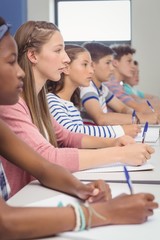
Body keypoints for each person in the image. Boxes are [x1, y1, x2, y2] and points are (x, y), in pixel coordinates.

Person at [0, 17, 158, 239]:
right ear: (33, 56)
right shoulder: (11, 106)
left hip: (28, 200)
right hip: (22, 206)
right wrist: (101, 214)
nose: (20, 72)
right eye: (10, 62)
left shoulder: (35, 103)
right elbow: (5, 224)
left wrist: (80, 189)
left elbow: (45, 165)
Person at [47, 43, 131, 138]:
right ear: (66, 68)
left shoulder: (71, 105)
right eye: (85, 64)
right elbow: (73, 134)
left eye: (91, 65)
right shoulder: (52, 101)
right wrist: (120, 131)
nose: (91, 71)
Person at [106, 44, 160, 117]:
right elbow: (138, 108)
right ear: (115, 63)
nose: (133, 66)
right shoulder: (112, 85)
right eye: (129, 61)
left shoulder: (118, 85)